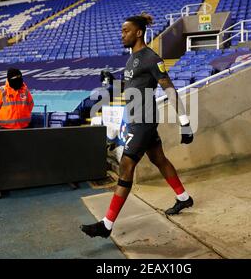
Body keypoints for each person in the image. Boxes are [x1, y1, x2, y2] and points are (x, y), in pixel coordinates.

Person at [81, 13, 194, 238]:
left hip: (143, 120)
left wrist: (185, 122)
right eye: (122, 31)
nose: (122, 35)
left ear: (138, 32)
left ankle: (107, 224)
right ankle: (184, 198)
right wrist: (114, 84)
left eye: (126, 31)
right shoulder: (132, 58)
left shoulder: (151, 58)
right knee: (158, 159)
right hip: (135, 118)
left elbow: (169, 88)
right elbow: (134, 86)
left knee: (126, 166)